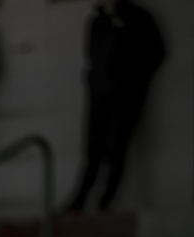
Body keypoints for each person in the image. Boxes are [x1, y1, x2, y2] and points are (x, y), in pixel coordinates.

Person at [66, 0, 165, 212]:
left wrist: (132, 82)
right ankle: (80, 198)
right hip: (98, 95)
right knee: (93, 148)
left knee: (116, 146)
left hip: (125, 97)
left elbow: (156, 53)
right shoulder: (97, 20)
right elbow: (92, 55)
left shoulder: (138, 18)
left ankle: (106, 199)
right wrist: (92, 81)